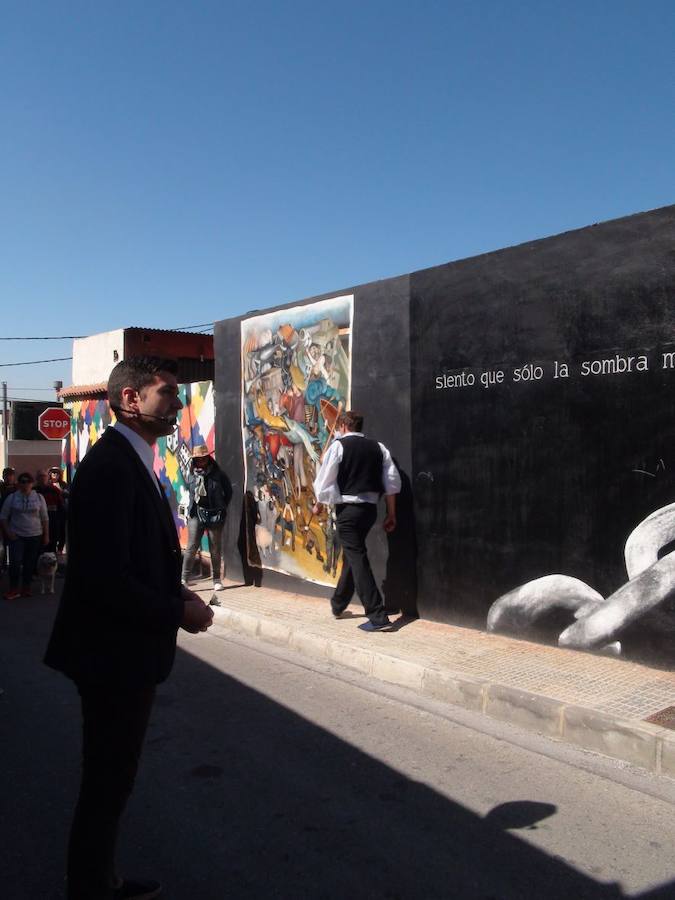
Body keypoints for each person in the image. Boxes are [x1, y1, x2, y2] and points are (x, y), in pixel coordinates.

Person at [44, 356, 214, 900]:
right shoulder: (112, 466)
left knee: (112, 778)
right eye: (167, 393)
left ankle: (100, 879)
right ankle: (93, 887)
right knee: (107, 781)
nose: (179, 403)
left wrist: (177, 590)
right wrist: (177, 612)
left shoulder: (131, 458)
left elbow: (136, 557)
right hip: (112, 655)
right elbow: (104, 580)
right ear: (131, 400)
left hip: (122, 651)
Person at [312, 410, 401, 632]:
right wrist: (391, 514)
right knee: (354, 555)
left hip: (348, 511)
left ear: (342, 426)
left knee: (357, 558)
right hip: (369, 511)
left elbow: (325, 481)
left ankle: (377, 615)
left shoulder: (339, 447)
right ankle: (338, 603)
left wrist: (319, 503)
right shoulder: (379, 448)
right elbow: (392, 483)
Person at [181, 444, 232, 597]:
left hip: (215, 515)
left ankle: (216, 580)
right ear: (194, 460)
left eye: (204, 458)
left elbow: (228, 491)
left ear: (208, 458)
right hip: (196, 514)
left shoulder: (218, 474)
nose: (201, 461)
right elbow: (189, 492)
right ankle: (184, 579)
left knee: (215, 548)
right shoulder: (190, 474)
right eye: (198, 458)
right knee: (192, 547)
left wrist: (221, 507)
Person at [0, 471, 49, 599]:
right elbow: (3, 517)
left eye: (28, 481)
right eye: (22, 481)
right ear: (19, 483)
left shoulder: (39, 498)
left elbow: (45, 518)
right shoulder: (12, 498)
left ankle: (26, 588)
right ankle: (13, 589)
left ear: (32, 483)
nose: (25, 484)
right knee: (15, 563)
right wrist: (9, 532)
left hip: (35, 535)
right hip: (17, 535)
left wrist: (46, 535)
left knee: (29, 563)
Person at [35, 468, 65, 553]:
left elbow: (61, 508)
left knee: (51, 549)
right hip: (37, 524)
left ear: (48, 477)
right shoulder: (33, 491)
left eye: (44, 476)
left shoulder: (55, 490)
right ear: (36, 478)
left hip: (53, 522)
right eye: (40, 476)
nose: (42, 478)